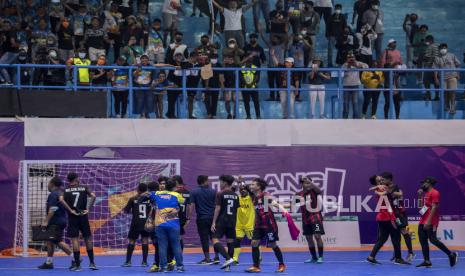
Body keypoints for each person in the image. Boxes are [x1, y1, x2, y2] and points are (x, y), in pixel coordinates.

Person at [366, 174, 409, 265]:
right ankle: (398, 258)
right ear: (377, 182)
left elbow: (399, 193)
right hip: (387, 217)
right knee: (396, 237)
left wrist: (376, 189)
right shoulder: (381, 189)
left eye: (382, 178)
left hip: (381, 217)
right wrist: (393, 218)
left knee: (382, 239)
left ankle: (371, 256)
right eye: (379, 179)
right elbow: (388, 203)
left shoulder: (379, 188)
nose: (381, 179)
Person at [416, 177, 458, 268]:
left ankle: (451, 254)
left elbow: (435, 207)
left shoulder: (435, 193)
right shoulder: (426, 193)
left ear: (429, 183)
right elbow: (420, 209)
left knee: (433, 240)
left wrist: (428, 221)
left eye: (423, 183)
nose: (422, 185)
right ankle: (427, 261)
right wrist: (419, 196)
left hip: (431, 221)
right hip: (422, 220)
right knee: (423, 241)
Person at [245, 178, 286, 273]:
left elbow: (274, 203)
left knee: (272, 244)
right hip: (258, 225)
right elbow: (246, 187)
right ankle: (256, 266)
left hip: (269, 225)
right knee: (254, 243)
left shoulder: (265, 195)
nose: (251, 186)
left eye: (253, 184)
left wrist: (283, 210)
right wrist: (240, 181)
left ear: (258, 187)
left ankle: (282, 264)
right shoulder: (253, 197)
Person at [60, 172, 98, 271]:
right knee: (88, 239)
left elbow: (61, 200)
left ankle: (77, 266)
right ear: (76, 178)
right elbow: (93, 196)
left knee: (75, 240)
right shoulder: (84, 187)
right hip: (83, 216)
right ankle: (92, 263)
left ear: (68, 180)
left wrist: (70, 210)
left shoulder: (65, 189)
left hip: (73, 217)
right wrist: (88, 208)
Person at [147, 179, 185, 272]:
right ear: (173, 187)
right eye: (176, 186)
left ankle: (163, 267)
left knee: (162, 246)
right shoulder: (177, 195)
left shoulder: (157, 193)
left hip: (160, 224)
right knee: (176, 245)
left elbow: (147, 194)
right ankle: (180, 267)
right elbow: (182, 202)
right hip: (173, 224)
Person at [37, 177, 73, 270]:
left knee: (57, 241)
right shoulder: (61, 193)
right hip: (61, 220)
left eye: (49, 183)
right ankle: (49, 262)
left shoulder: (53, 194)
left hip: (55, 221)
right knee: (50, 241)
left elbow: (53, 208)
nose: (48, 185)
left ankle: (75, 258)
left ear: (52, 184)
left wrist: (46, 221)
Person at [382, 173, 415, 262]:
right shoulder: (391, 188)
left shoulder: (393, 187)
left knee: (404, 232)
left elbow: (391, 192)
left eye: (384, 180)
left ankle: (411, 252)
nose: (382, 182)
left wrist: (378, 189)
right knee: (396, 235)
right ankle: (397, 253)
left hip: (400, 214)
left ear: (389, 179)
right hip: (394, 214)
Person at [211, 175, 240, 271]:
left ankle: (228, 258)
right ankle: (228, 267)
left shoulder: (220, 193)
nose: (220, 184)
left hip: (222, 220)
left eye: (220, 182)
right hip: (232, 221)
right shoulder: (236, 195)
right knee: (230, 242)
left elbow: (218, 208)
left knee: (214, 239)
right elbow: (236, 209)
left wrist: (214, 222)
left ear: (225, 183)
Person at [191, 175, 220, 264]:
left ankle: (207, 258)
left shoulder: (194, 192)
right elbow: (217, 205)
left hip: (202, 219)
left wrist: (188, 217)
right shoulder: (214, 191)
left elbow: (191, 205)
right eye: (208, 180)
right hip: (213, 219)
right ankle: (216, 257)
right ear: (205, 181)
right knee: (214, 238)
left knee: (204, 238)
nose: (209, 182)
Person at [122, 182, 151, 267]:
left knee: (132, 241)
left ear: (138, 190)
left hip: (136, 223)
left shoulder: (133, 198)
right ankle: (144, 262)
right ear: (146, 190)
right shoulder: (149, 199)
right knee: (145, 240)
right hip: (146, 223)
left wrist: (134, 211)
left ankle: (128, 262)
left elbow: (126, 211)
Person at [297, 176, 324, 263]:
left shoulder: (314, 191)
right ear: (302, 184)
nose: (308, 184)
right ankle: (314, 257)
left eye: (309, 182)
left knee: (317, 236)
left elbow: (320, 191)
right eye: (306, 182)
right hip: (305, 219)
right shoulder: (298, 194)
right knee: (309, 238)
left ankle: (320, 257)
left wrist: (310, 182)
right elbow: (292, 204)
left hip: (315, 217)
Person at [433, 44, 461, 114]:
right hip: (442, 78)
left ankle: (453, 107)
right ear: (439, 50)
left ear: (447, 48)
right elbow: (435, 69)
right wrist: (436, 78)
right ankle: (447, 106)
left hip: (452, 77)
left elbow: (458, 64)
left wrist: (458, 74)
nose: (443, 49)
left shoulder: (452, 55)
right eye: (442, 48)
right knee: (444, 93)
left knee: (452, 93)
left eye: (444, 48)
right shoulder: (437, 58)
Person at [232, 177, 255, 264]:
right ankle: (235, 258)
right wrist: (236, 183)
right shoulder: (237, 198)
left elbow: (252, 192)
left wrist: (242, 182)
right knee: (237, 241)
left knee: (254, 242)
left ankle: (259, 256)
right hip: (239, 225)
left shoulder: (251, 198)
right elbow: (231, 192)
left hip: (249, 225)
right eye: (241, 190)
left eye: (244, 190)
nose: (243, 191)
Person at [342, 52, 368, 119]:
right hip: (346, 85)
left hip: (355, 85)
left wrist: (357, 66)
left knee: (355, 102)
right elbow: (341, 74)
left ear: (354, 58)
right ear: (347, 59)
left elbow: (367, 67)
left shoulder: (358, 63)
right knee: (345, 102)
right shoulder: (344, 65)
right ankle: (345, 118)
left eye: (352, 57)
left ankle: (355, 118)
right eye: (349, 58)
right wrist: (347, 68)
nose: (351, 59)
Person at [173, 175, 193, 254]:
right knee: (179, 237)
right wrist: (188, 218)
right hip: (182, 218)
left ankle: (172, 258)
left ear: (176, 182)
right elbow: (190, 206)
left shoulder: (173, 192)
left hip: (173, 217)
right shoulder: (187, 192)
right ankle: (179, 256)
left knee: (172, 237)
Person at [133, 54, 156, 118]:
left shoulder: (151, 67)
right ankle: (141, 113)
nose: (144, 61)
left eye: (146, 59)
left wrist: (152, 84)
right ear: (140, 60)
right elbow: (134, 77)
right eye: (143, 59)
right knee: (140, 100)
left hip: (148, 87)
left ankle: (147, 113)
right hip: (139, 86)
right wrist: (137, 71)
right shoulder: (137, 67)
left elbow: (154, 77)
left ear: (148, 60)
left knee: (149, 100)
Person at [203, 54, 224, 119]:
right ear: (210, 59)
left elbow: (221, 76)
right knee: (206, 99)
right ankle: (209, 113)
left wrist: (222, 85)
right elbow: (207, 77)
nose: (214, 59)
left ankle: (214, 114)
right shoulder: (207, 65)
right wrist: (206, 86)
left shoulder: (219, 65)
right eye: (212, 58)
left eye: (215, 58)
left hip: (216, 84)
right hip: (208, 85)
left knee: (215, 99)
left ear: (217, 58)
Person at [0, 19, 19, 85]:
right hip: (10, 53)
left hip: (11, 53)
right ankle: (16, 88)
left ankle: (7, 81)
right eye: (5, 25)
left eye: (8, 25)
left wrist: (14, 43)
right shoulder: (4, 32)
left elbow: (12, 40)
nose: (6, 26)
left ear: (10, 26)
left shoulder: (12, 31)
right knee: (13, 70)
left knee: (1, 64)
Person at [421, 35, 439, 101]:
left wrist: (422, 57)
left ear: (429, 40)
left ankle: (428, 95)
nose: (426, 42)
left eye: (426, 41)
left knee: (426, 81)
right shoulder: (438, 45)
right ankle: (437, 96)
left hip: (430, 67)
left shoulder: (430, 47)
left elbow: (427, 57)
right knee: (436, 82)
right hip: (438, 67)